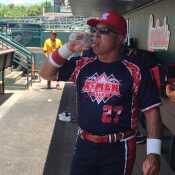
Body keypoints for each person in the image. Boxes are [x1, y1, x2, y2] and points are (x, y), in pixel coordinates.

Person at [40, 10, 162, 175]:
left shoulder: (136, 70)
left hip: (118, 148)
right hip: (84, 144)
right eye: (94, 31)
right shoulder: (82, 65)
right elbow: (46, 73)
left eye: (103, 31)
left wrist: (153, 153)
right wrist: (69, 48)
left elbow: (151, 111)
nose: (95, 35)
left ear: (120, 38)